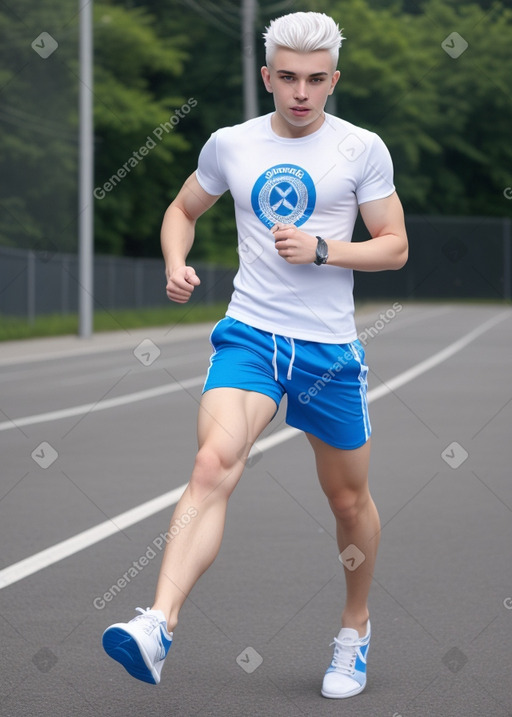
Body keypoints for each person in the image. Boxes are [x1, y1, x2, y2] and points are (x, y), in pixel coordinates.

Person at [102, 10, 408, 700]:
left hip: (329, 351)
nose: (302, 92)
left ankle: (354, 629)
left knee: (347, 498)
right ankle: (158, 623)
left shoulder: (362, 149)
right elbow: (182, 209)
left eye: (317, 79)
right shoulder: (230, 145)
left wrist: (326, 248)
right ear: (268, 76)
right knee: (213, 463)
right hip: (251, 336)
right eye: (289, 78)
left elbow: (394, 244)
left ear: (335, 80)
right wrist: (176, 261)